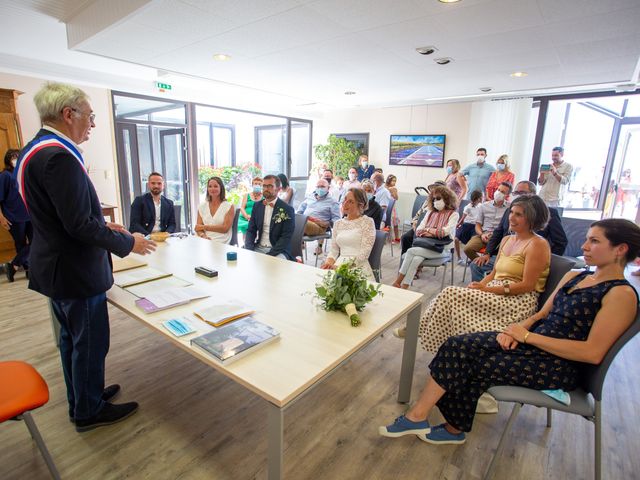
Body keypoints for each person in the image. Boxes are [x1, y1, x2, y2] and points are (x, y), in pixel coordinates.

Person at [380, 218, 639, 445]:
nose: (584, 246)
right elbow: (540, 315)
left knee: (476, 363)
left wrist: (526, 336)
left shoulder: (620, 294)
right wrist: (517, 330)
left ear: (620, 249)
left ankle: (447, 426)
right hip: (534, 344)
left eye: (594, 241)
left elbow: (592, 353)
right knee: (457, 345)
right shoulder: (577, 275)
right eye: (586, 239)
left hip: (559, 365)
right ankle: (423, 419)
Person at [15, 82, 156, 432]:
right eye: (90, 117)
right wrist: (129, 244)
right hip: (76, 272)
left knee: (72, 341)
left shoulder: (34, 150)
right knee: (90, 343)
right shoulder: (59, 157)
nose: (92, 125)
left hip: (57, 267)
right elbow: (78, 225)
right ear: (68, 115)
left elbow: (62, 216)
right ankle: (89, 411)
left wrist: (109, 227)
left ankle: (83, 396)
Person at [471, 181, 568, 281]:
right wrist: (487, 253)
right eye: (515, 193)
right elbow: (498, 233)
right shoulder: (510, 211)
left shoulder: (548, 213)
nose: (518, 196)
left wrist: (543, 262)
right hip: (506, 256)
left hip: (529, 260)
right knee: (476, 265)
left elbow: (560, 242)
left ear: (533, 195)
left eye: (521, 193)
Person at [392, 185, 459, 289]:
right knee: (416, 259)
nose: (435, 201)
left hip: (442, 249)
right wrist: (433, 232)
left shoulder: (454, 214)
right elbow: (419, 230)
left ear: (447, 198)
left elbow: (445, 232)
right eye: (433, 199)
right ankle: (405, 286)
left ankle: (397, 282)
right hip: (425, 246)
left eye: (438, 198)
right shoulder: (430, 212)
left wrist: (427, 230)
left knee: (410, 251)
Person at [321, 188, 376, 279]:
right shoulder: (338, 223)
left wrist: (343, 268)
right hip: (338, 264)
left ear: (361, 205)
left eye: (350, 202)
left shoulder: (367, 222)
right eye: (345, 199)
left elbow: (364, 254)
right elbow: (334, 250)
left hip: (358, 267)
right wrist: (329, 262)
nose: (345, 204)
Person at [245, 175, 295, 260]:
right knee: (242, 259)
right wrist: (249, 249)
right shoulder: (257, 206)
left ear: (278, 189)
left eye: (270, 186)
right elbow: (251, 230)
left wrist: (270, 255)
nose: (266, 188)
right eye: (264, 186)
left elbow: (286, 236)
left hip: (278, 250)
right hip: (258, 247)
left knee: (272, 266)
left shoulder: (287, 209)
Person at [1, 149, 32, 282]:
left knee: (36, 242)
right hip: (13, 216)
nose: (15, 159)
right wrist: (1, 218)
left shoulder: (24, 173)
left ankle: (13, 265)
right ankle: (28, 270)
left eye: (17, 157)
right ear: (8, 160)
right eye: (12, 157)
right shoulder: (5, 176)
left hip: (30, 215)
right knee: (20, 244)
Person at [463, 182, 511, 260]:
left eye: (502, 192)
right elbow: (478, 225)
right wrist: (482, 234)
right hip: (483, 234)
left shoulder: (510, 208)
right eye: (498, 190)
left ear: (507, 195)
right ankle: (482, 266)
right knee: (467, 249)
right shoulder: (484, 206)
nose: (498, 193)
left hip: (499, 237)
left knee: (499, 253)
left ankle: (486, 266)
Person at [195, 176, 235, 243]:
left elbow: (225, 229)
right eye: (210, 186)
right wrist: (203, 236)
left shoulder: (229, 206)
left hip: (221, 239)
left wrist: (204, 227)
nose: (212, 189)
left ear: (221, 188)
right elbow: (198, 228)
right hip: (203, 239)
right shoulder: (201, 206)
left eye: (215, 186)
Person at [454, 189, 483, 264]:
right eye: (481, 197)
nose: (482, 198)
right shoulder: (468, 207)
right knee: (456, 239)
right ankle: (459, 258)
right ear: (478, 198)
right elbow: (463, 218)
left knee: (472, 243)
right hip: (466, 226)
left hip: (475, 227)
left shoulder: (481, 206)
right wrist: (458, 224)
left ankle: (472, 259)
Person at [385, 174, 401, 242]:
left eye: (395, 181)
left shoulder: (394, 188)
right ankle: (390, 238)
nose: (394, 182)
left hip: (393, 207)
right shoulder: (384, 188)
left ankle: (397, 237)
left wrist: (394, 192)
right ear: (389, 180)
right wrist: (389, 190)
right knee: (389, 223)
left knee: (395, 222)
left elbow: (396, 198)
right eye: (393, 181)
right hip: (387, 207)